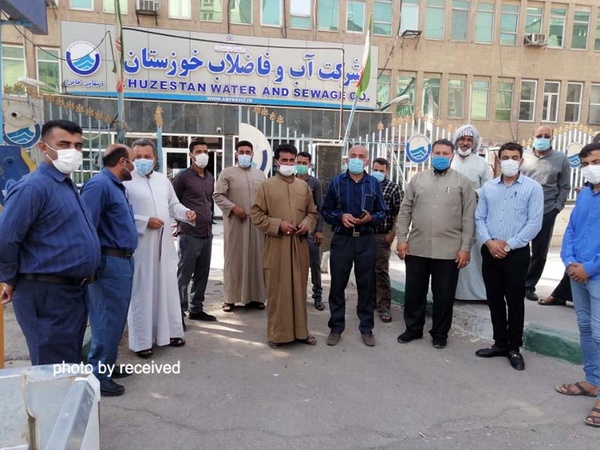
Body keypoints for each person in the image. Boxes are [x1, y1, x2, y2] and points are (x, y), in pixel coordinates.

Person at [0, 119, 100, 365]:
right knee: (52, 368)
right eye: (64, 144)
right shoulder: (33, 187)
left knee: (66, 364)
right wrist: (9, 278)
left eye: (78, 146)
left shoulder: (65, 185)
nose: (73, 151)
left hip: (71, 292)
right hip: (46, 294)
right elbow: (6, 237)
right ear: (44, 148)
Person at [396, 139, 476, 349]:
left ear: (452, 156)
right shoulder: (418, 180)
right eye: (437, 153)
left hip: (449, 250)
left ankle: (440, 333)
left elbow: (469, 218)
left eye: (445, 154)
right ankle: (413, 329)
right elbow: (405, 211)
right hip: (417, 246)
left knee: (444, 295)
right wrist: (402, 239)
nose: (441, 157)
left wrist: (465, 248)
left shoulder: (463, 183)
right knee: (414, 292)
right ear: (431, 155)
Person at [474, 142, 544, 371]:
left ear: (521, 161)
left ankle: (514, 347)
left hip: (516, 253)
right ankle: (499, 343)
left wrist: (509, 245)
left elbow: (534, 223)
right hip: (490, 250)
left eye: (514, 157)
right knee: (494, 298)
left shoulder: (533, 188)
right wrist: (489, 242)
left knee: (514, 301)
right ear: (499, 160)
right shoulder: (488, 188)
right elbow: (479, 218)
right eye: (505, 157)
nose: (510, 162)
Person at [125, 139, 195, 359]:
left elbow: (174, 205)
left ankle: (171, 333)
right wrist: (144, 221)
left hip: (164, 245)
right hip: (141, 246)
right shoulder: (126, 181)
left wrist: (186, 213)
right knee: (142, 291)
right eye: (138, 157)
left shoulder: (162, 181)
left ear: (155, 158)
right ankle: (142, 341)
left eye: (147, 156)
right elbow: (121, 214)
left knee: (167, 288)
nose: (143, 160)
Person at [81, 144, 138, 396]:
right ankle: (98, 375)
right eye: (133, 161)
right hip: (108, 262)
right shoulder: (99, 186)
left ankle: (107, 364)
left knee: (116, 318)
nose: (135, 167)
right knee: (105, 319)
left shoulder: (115, 186)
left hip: (122, 261)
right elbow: (86, 229)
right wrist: (91, 265)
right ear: (123, 161)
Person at [251, 143, 318, 348]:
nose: (288, 164)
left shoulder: (303, 187)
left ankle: (301, 332)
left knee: (299, 289)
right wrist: (278, 224)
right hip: (276, 246)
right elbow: (256, 215)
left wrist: (306, 225)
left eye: (292, 161)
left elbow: (312, 213)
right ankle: (277, 335)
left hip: (299, 245)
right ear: (277, 161)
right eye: (285, 160)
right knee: (278, 291)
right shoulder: (266, 186)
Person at [322, 145, 387, 347]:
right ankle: (336, 327)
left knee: (366, 285)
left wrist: (371, 218)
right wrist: (340, 216)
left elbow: (382, 213)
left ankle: (366, 328)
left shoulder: (373, 184)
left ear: (366, 161)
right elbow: (326, 210)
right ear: (346, 159)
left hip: (366, 240)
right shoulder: (337, 182)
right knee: (338, 284)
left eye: (361, 156)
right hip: (342, 239)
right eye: (353, 156)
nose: (356, 159)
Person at [556, 142, 600, 427]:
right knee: (585, 328)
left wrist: (589, 268)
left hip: (595, 274)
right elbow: (571, 230)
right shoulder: (584, 195)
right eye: (585, 164)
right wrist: (570, 262)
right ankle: (593, 380)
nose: (591, 168)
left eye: (595, 162)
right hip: (577, 273)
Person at [213, 140, 266, 312]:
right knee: (234, 260)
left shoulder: (260, 175)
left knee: (256, 259)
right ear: (236, 154)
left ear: (252, 154)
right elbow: (218, 195)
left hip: (256, 224)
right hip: (236, 223)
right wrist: (233, 208)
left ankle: (255, 297)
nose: (244, 155)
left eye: (247, 152)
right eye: (241, 152)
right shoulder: (227, 173)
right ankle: (230, 298)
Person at [521, 125, 571, 301]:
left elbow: (564, 186)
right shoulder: (524, 157)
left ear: (552, 139)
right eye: (539, 135)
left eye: (546, 136)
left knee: (540, 251)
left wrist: (557, 208)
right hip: (522, 211)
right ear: (533, 137)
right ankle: (515, 282)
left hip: (547, 210)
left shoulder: (561, 159)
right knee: (518, 248)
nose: (542, 139)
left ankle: (529, 285)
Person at [172, 140, 216, 322]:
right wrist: (178, 223)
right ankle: (178, 313)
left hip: (206, 233)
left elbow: (209, 202)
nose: (203, 154)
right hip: (189, 233)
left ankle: (196, 308)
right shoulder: (182, 178)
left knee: (202, 274)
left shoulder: (210, 177)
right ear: (191, 155)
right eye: (198, 151)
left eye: (205, 151)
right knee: (184, 274)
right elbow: (172, 202)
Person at [451, 124, 491, 302]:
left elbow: (488, 187)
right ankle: (452, 292)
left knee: (473, 253)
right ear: (457, 140)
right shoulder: (450, 159)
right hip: (450, 213)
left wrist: (475, 193)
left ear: (474, 143)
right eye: (462, 139)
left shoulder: (481, 163)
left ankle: (476, 293)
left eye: (469, 140)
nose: (465, 143)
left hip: (473, 212)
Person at [371, 157, 403, 323]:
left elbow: (400, 214)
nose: (377, 173)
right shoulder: (366, 185)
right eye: (375, 169)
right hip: (364, 235)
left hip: (382, 235)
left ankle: (384, 306)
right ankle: (369, 302)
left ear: (387, 171)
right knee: (365, 270)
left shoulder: (393, 189)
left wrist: (391, 235)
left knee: (381, 271)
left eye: (381, 171)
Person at [295, 151, 325, 311]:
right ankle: (297, 296)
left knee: (314, 264)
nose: (301, 165)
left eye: (304, 163)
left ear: (309, 165)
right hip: (293, 229)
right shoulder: (290, 180)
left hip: (311, 230)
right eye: (298, 162)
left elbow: (320, 208)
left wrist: (319, 230)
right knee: (295, 265)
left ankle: (317, 296)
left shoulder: (315, 183)